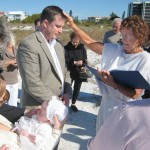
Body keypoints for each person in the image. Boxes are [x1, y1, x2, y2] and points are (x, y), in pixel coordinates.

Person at [64, 13, 150, 133]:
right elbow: (90, 42)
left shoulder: (144, 59)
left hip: (126, 111)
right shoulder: (117, 49)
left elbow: (135, 94)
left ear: (139, 37)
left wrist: (114, 84)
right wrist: (73, 26)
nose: (123, 39)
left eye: (128, 36)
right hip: (106, 106)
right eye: (122, 35)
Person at [17, 6, 72, 108]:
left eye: (62, 27)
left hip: (58, 106)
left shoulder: (58, 45)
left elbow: (65, 71)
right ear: (45, 23)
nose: (61, 31)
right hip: (37, 109)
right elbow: (32, 83)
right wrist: (56, 102)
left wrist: (68, 93)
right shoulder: (29, 45)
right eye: (58, 26)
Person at [65, 32, 87, 112]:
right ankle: (65, 103)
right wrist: (74, 62)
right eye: (74, 42)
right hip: (69, 71)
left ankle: (73, 103)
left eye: (77, 42)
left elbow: (85, 59)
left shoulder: (82, 48)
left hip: (79, 71)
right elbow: (65, 60)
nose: (75, 43)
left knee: (77, 88)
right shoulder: (66, 48)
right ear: (71, 40)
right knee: (67, 87)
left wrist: (83, 62)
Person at [0, 18, 18, 107]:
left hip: (14, 80)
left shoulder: (15, 48)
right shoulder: (1, 48)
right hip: (3, 81)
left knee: (13, 106)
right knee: (3, 106)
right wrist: (9, 62)